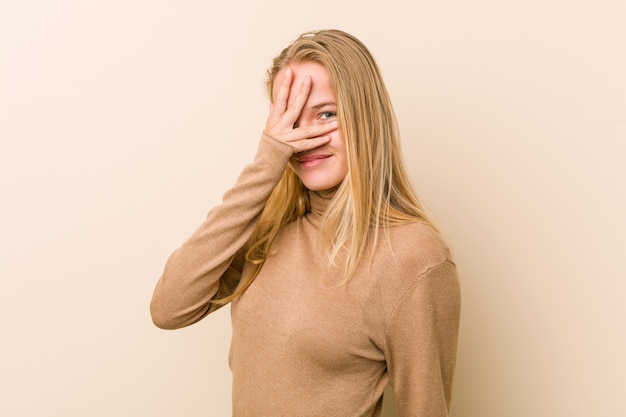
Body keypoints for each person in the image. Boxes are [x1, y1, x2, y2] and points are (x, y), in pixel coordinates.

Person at [150, 29, 461, 417]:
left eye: (326, 114)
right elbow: (170, 308)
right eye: (292, 119)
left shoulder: (413, 256)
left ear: (364, 117)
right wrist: (268, 161)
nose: (306, 138)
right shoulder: (269, 229)